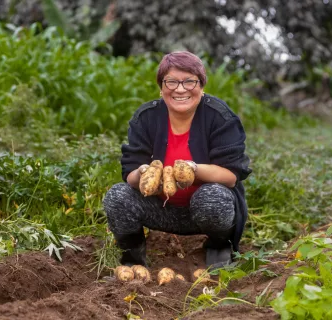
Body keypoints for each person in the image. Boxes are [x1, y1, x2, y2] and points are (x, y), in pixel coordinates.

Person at [103, 51, 252, 269]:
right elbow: (129, 175)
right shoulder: (146, 118)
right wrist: (144, 173)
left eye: (189, 81)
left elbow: (230, 176)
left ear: (201, 86)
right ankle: (133, 257)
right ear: (161, 87)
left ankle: (219, 246)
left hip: (203, 210)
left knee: (214, 197)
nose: (180, 89)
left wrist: (193, 169)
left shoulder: (219, 117)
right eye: (171, 82)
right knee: (117, 196)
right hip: (160, 209)